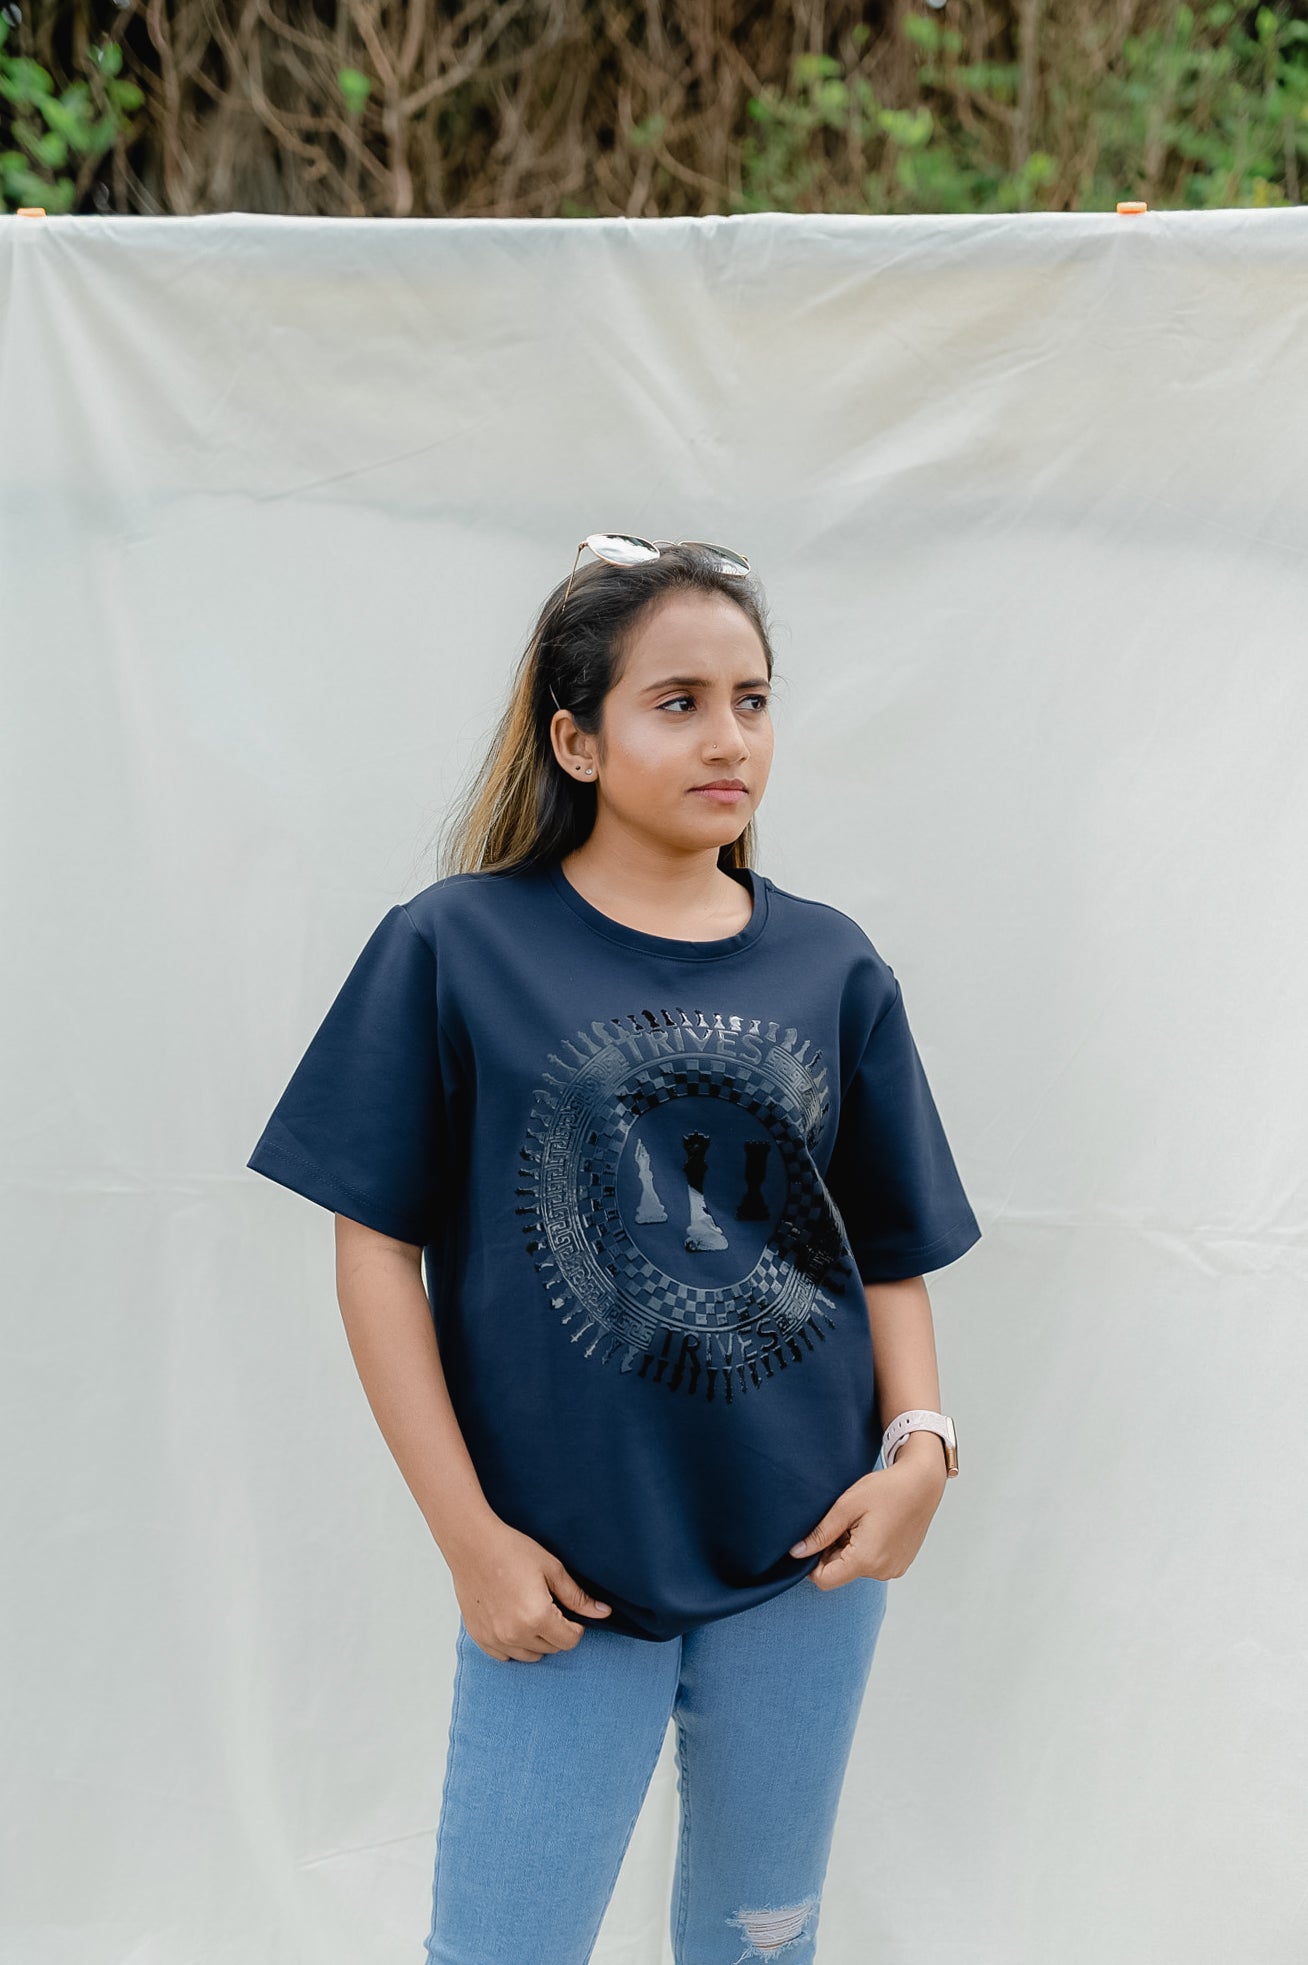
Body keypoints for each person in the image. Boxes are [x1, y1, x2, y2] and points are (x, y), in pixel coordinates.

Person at [247, 533, 982, 1965]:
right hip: (557, 1571)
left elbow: (885, 1242)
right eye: (681, 700)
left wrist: (922, 1445)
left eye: (754, 699)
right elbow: (370, 1250)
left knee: (760, 1939)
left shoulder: (832, 962)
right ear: (575, 737)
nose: (729, 737)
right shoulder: (455, 946)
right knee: (502, 1945)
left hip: (807, 1554)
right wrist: (470, 1542)